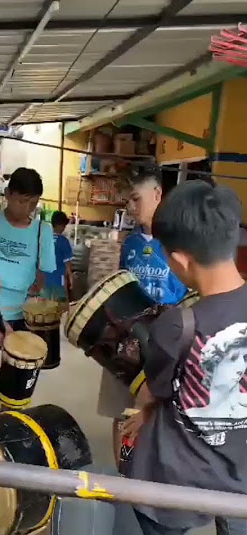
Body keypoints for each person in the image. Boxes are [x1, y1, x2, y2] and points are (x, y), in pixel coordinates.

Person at [122, 180, 247, 535]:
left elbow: (154, 390)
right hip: (239, 463)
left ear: (180, 260)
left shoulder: (180, 322)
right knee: (238, 517)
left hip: (179, 473)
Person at [98, 164, 187, 463]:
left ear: (158, 193)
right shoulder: (131, 243)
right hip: (125, 340)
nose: (131, 207)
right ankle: (122, 470)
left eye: (137, 199)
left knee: (158, 411)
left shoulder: (180, 240)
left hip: (165, 342)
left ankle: (150, 471)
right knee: (120, 410)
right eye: (128, 200)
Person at [0, 167, 56, 330]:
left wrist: (37, 290)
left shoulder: (42, 231)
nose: (26, 209)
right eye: (22, 201)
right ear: (8, 194)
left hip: (20, 317)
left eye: (33, 203)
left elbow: (42, 274)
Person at [42, 211, 73, 301]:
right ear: (60, 225)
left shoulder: (43, 239)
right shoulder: (63, 241)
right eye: (64, 226)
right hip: (58, 280)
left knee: (45, 305)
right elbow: (68, 264)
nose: (64, 228)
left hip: (43, 279)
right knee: (60, 305)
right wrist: (71, 278)